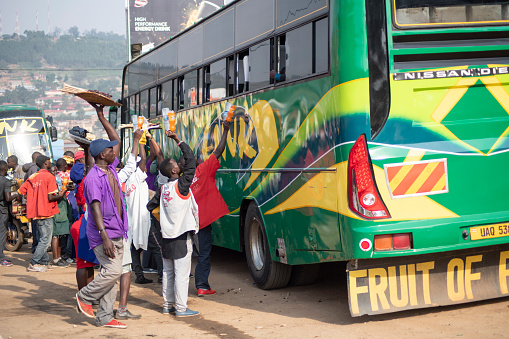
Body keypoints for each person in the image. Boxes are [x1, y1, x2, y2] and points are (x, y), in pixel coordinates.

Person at [75, 102, 143, 329]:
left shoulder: (111, 169)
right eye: (111, 149)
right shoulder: (93, 177)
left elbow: (128, 156)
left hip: (118, 230)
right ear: (103, 154)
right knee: (114, 271)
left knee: (111, 274)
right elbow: (94, 208)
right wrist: (104, 237)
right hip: (104, 234)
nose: (115, 150)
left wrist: (134, 139)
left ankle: (104, 316)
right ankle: (84, 297)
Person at [148, 130, 200, 317]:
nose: (180, 164)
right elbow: (191, 161)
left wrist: (164, 222)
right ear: (174, 171)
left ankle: (167, 305)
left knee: (168, 272)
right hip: (180, 237)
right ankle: (180, 308)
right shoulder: (181, 185)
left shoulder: (163, 189)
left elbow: (150, 206)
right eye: (176, 164)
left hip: (165, 236)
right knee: (182, 274)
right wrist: (178, 140)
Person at [188, 120, 230, 296]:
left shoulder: (181, 180)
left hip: (185, 223)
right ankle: (202, 286)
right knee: (204, 253)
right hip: (202, 222)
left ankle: (180, 289)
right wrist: (226, 130)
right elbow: (219, 151)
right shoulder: (203, 170)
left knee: (185, 256)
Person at [19, 155, 68, 272]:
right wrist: (62, 194)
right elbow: (51, 197)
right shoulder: (49, 177)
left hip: (35, 211)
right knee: (45, 240)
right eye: (49, 162)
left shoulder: (32, 176)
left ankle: (44, 262)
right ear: (46, 163)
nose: (51, 164)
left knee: (42, 238)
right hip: (46, 211)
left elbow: (22, 191)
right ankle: (34, 262)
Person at [50, 158, 71, 268]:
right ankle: (55, 258)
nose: (54, 172)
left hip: (61, 209)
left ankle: (58, 257)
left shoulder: (58, 178)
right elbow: (55, 196)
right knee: (55, 235)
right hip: (56, 209)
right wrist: (64, 191)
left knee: (59, 235)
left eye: (55, 170)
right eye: (52, 171)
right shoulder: (54, 180)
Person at [0, 160, 19, 267]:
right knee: (2, 235)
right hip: (2, 211)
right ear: (5, 169)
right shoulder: (5, 181)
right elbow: (7, 198)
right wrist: (16, 196)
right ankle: (1, 259)